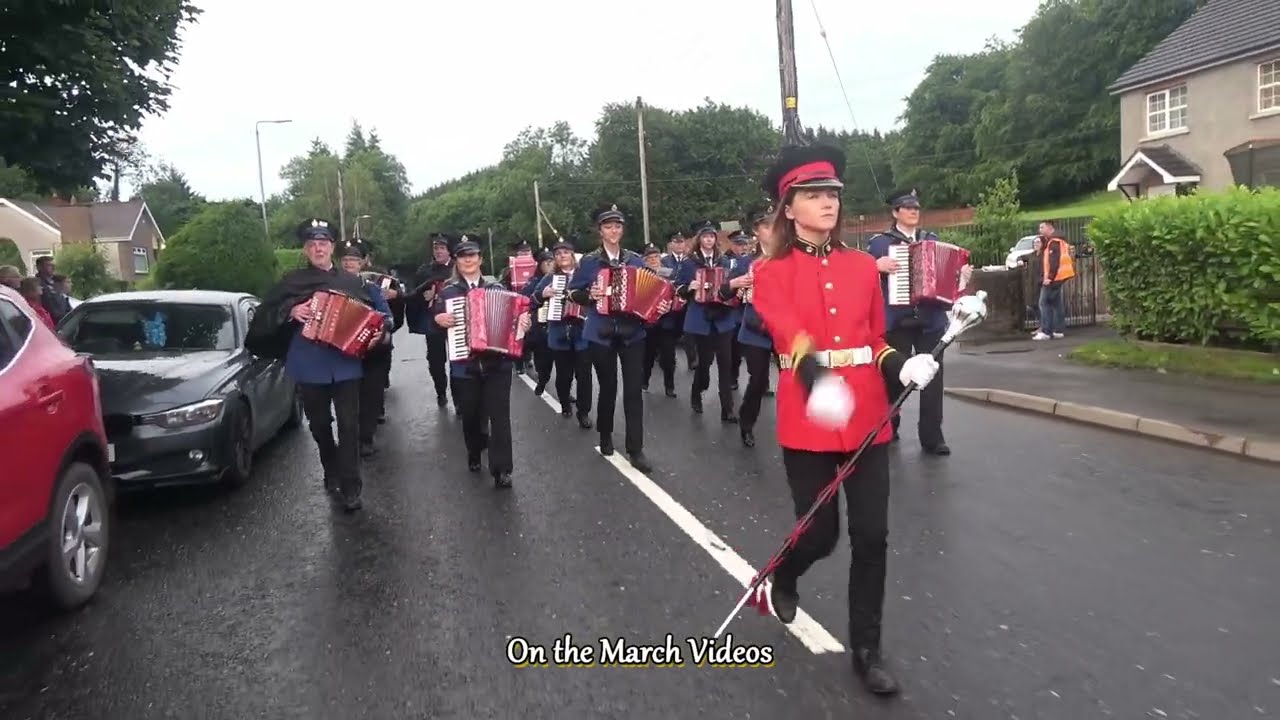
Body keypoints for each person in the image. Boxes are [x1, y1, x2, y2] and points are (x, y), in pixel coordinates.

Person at [751, 145, 940, 695]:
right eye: (813, 195)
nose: (827, 203)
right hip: (809, 416)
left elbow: (873, 339)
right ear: (789, 208)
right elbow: (789, 336)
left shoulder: (860, 267)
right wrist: (817, 380)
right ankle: (787, 571)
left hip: (866, 416)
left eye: (832, 193)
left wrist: (902, 366)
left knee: (872, 536)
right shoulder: (770, 272)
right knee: (819, 534)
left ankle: (867, 649)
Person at [245, 218, 387, 512]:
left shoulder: (352, 282)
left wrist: (378, 332)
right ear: (305, 249)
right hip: (309, 364)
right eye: (312, 244)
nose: (318, 248)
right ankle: (330, 464)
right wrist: (291, 310)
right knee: (320, 425)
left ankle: (351, 487)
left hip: (345, 364)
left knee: (349, 426)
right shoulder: (292, 282)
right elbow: (265, 315)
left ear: (332, 247)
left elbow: (377, 317)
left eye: (323, 243)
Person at [866, 189, 970, 455]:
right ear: (895, 212)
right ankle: (889, 426)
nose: (914, 211)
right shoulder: (879, 244)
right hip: (898, 320)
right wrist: (875, 267)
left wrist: (961, 276)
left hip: (930, 319)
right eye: (908, 207)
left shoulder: (931, 240)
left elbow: (948, 276)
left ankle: (933, 437)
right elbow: (862, 277)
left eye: (916, 208)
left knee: (933, 379)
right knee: (894, 377)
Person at [433, 237, 530, 488]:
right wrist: (439, 319)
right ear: (457, 261)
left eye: (473, 255)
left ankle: (502, 469)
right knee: (472, 415)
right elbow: (436, 321)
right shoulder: (448, 292)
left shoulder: (496, 287)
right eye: (463, 256)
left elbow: (516, 319)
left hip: (498, 364)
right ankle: (474, 450)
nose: (468, 260)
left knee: (500, 416)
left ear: (480, 259)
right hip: (465, 366)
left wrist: (523, 323)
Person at [566, 205, 654, 472]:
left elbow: (650, 291)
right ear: (600, 231)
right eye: (608, 227)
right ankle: (605, 434)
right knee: (608, 387)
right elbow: (572, 292)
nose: (613, 231)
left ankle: (636, 449)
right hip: (600, 332)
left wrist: (656, 305)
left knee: (633, 391)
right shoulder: (589, 262)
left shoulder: (635, 260)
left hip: (632, 332)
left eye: (617, 226)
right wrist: (589, 295)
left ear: (622, 230)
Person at [674, 220, 739, 422]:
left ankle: (727, 409)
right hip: (702, 318)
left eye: (712, 236)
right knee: (704, 363)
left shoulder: (724, 261)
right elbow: (678, 288)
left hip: (723, 317)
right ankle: (697, 392)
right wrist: (690, 287)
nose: (709, 240)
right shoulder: (689, 262)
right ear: (699, 239)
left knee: (725, 363)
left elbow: (731, 285)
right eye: (705, 236)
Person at [338, 240, 396, 457]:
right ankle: (350, 438)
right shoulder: (333, 288)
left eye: (353, 260)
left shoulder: (370, 288)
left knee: (371, 397)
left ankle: (365, 438)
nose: (349, 264)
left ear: (361, 263)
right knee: (348, 399)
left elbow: (388, 317)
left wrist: (380, 327)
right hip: (343, 353)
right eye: (345, 260)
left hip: (372, 353)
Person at [729, 203, 776, 447]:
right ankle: (746, 424)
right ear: (756, 231)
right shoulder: (745, 261)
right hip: (755, 329)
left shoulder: (789, 257)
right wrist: (737, 284)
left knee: (796, 379)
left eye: (775, 226)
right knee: (758, 380)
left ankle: (799, 427)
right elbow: (725, 291)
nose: (772, 231)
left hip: (783, 328)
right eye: (766, 226)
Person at [533, 239, 594, 427]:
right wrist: (543, 295)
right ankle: (565, 403)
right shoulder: (550, 278)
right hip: (559, 332)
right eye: (558, 254)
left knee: (584, 375)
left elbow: (595, 297)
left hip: (582, 331)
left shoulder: (584, 275)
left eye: (566, 252)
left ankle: (583, 412)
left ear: (572, 255)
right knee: (563, 375)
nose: (562, 256)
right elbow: (533, 299)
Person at [406, 233, 458, 411]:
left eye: (442, 248)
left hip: (455, 320)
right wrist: (423, 296)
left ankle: (459, 399)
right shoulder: (425, 270)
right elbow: (412, 293)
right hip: (433, 321)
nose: (438, 251)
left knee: (457, 359)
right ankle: (441, 391)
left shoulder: (457, 268)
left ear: (449, 251)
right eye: (436, 248)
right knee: (436, 360)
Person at [1033, 219, 1074, 340]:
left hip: (1054, 277)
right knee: (1056, 303)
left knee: (1043, 303)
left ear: (1049, 227)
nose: (1040, 230)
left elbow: (1053, 261)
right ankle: (1058, 330)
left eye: (1042, 227)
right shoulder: (1058, 240)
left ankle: (1046, 331)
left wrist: (1049, 278)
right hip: (1060, 276)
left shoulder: (1053, 242)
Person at [523, 248, 555, 393]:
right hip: (539, 327)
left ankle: (565, 393)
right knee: (543, 361)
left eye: (551, 261)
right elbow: (525, 299)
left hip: (556, 325)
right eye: (546, 262)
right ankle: (542, 380)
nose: (550, 264)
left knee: (563, 362)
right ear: (540, 264)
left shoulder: (558, 278)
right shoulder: (533, 281)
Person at [725, 230, 753, 390]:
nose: (743, 247)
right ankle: (732, 377)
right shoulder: (726, 261)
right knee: (734, 348)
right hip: (734, 310)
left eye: (745, 244)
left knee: (755, 348)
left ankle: (761, 381)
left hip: (750, 308)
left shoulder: (754, 260)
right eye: (739, 244)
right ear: (732, 245)